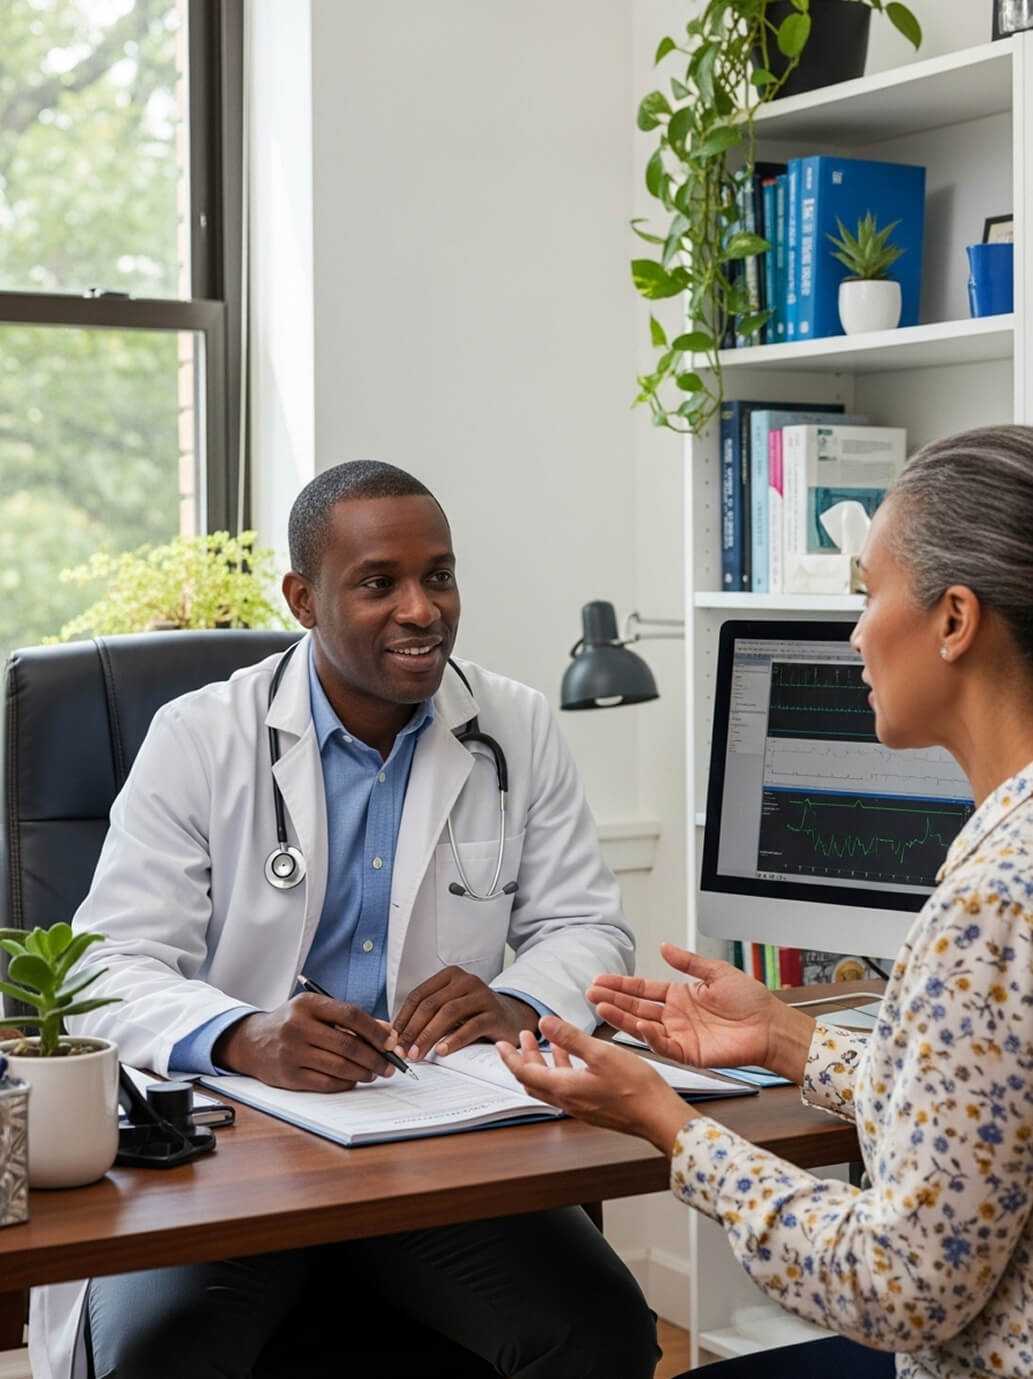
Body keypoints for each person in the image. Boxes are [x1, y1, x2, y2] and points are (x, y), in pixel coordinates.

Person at [33, 461, 659, 1379]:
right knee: (158, 1355)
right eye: (379, 583)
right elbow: (106, 965)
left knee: (597, 1331)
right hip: (227, 1162)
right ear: (302, 597)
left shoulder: (511, 726)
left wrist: (516, 1000)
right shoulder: (199, 736)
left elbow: (589, 928)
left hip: (431, 1151)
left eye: (438, 575)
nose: (421, 608)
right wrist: (240, 1033)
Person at [499, 423, 1033, 1379]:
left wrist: (670, 1123)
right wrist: (789, 1040)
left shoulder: (992, 900)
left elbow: (896, 1284)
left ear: (954, 619)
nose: (854, 631)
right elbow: (983, 1134)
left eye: (867, 593)